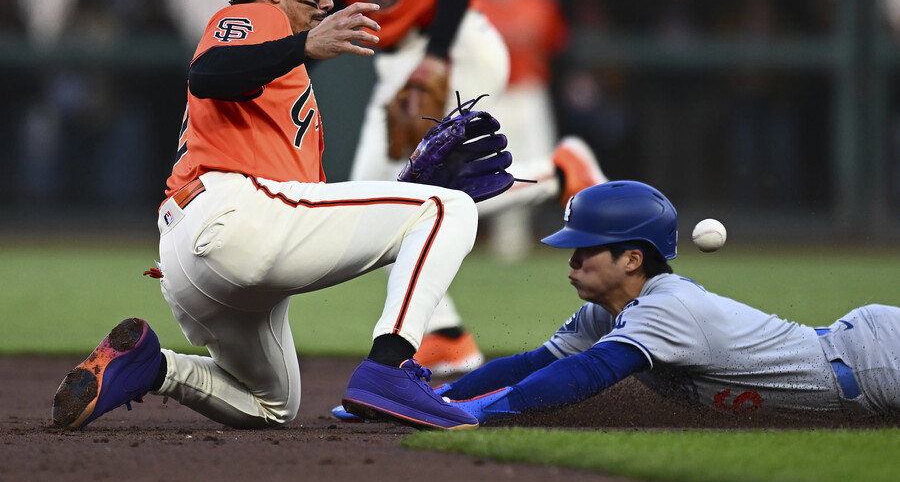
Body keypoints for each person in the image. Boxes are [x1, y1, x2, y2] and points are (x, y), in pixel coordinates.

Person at [51, 0, 482, 432]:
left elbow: (306, 201)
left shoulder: (282, 65)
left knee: (273, 404)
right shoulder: (256, 16)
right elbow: (209, 73)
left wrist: (398, 201)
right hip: (232, 217)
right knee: (448, 207)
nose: (328, 2)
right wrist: (304, 45)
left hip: (196, 261)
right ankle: (390, 366)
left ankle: (152, 367)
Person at [301, 0, 605, 376]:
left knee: (394, 207)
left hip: (451, 45)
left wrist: (438, 57)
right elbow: (332, 7)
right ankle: (444, 335)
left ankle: (558, 175)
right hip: (398, 61)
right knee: (374, 212)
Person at [336, 180, 900, 423]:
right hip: (859, 366)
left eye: (585, 249)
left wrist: (478, 413)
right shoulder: (604, 313)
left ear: (632, 259)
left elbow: (588, 373)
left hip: (873, 361)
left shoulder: (666, 308)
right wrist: (432, 399)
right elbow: (531, 365)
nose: (572, 260)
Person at [471, 0, 569, 261]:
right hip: (491, 95)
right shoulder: (474, 3)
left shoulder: (539, 2)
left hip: (529, 93)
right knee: (493, 167)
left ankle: (515, 233)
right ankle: (503, 238)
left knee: (540, 167)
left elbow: (556, 46)